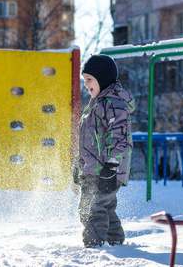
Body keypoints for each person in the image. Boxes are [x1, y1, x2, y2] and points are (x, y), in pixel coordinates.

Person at [73, 55, 135, 248]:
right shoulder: (96, 105)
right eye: (84, 80)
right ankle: (115, 242)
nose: (86, 84)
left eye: (89, 80)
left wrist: (111, 166)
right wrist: (78, 163)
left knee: (91, 208)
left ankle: (93, 246)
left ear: (103, 78)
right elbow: (88, 141)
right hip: (95, 169)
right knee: (105, 207)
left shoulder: (113, 104)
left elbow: (120, 138)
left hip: (105, 170)